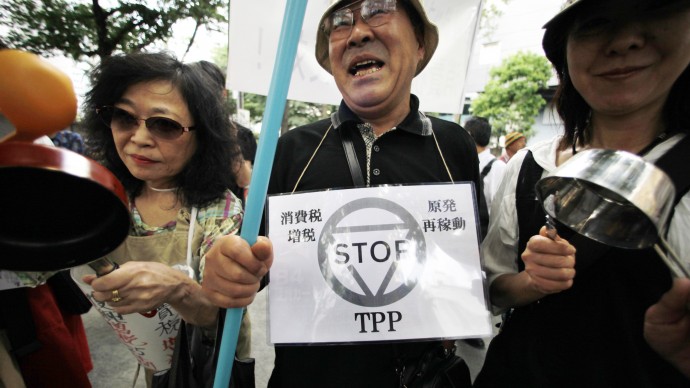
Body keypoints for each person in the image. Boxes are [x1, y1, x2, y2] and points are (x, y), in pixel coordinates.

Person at [203, 0, 484, 386]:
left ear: (419, 45)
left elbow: (468, 259)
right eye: (340, 22)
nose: (358, 32)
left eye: (378, 10)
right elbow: (256, 262)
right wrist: (227, 267)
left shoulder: (454, 145)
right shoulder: (289, 149)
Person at [474, 0, 690, 386]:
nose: (624, 40)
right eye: (595, 23)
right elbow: (493, 286)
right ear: (564, 52)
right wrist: (531, 282)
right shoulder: (528, 165)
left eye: (652, 12)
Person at [78, 51, 263, 386]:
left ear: (202, 136)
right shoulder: (103, 199)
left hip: (211, 366)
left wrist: (177, 287)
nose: (139, 138)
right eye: (124, 117)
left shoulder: (217, 210)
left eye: (164, 125)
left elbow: (216, 317)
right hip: (157, 366)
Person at [465, 116, 506, 215]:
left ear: (469, 135)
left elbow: (498, 208)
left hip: (486, 228)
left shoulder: (498, 167)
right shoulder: (463, 162)